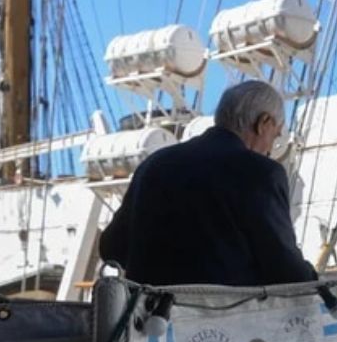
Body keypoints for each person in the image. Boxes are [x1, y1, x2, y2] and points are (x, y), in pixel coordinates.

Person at [98, 81, 317, 286]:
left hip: (143, 319)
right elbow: (285, 270)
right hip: (218, 320)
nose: (270, 148)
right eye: (275, 136)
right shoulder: (262, 173)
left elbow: (111, 248)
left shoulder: (153, 164)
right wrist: (315, 280)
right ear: (264, 123)